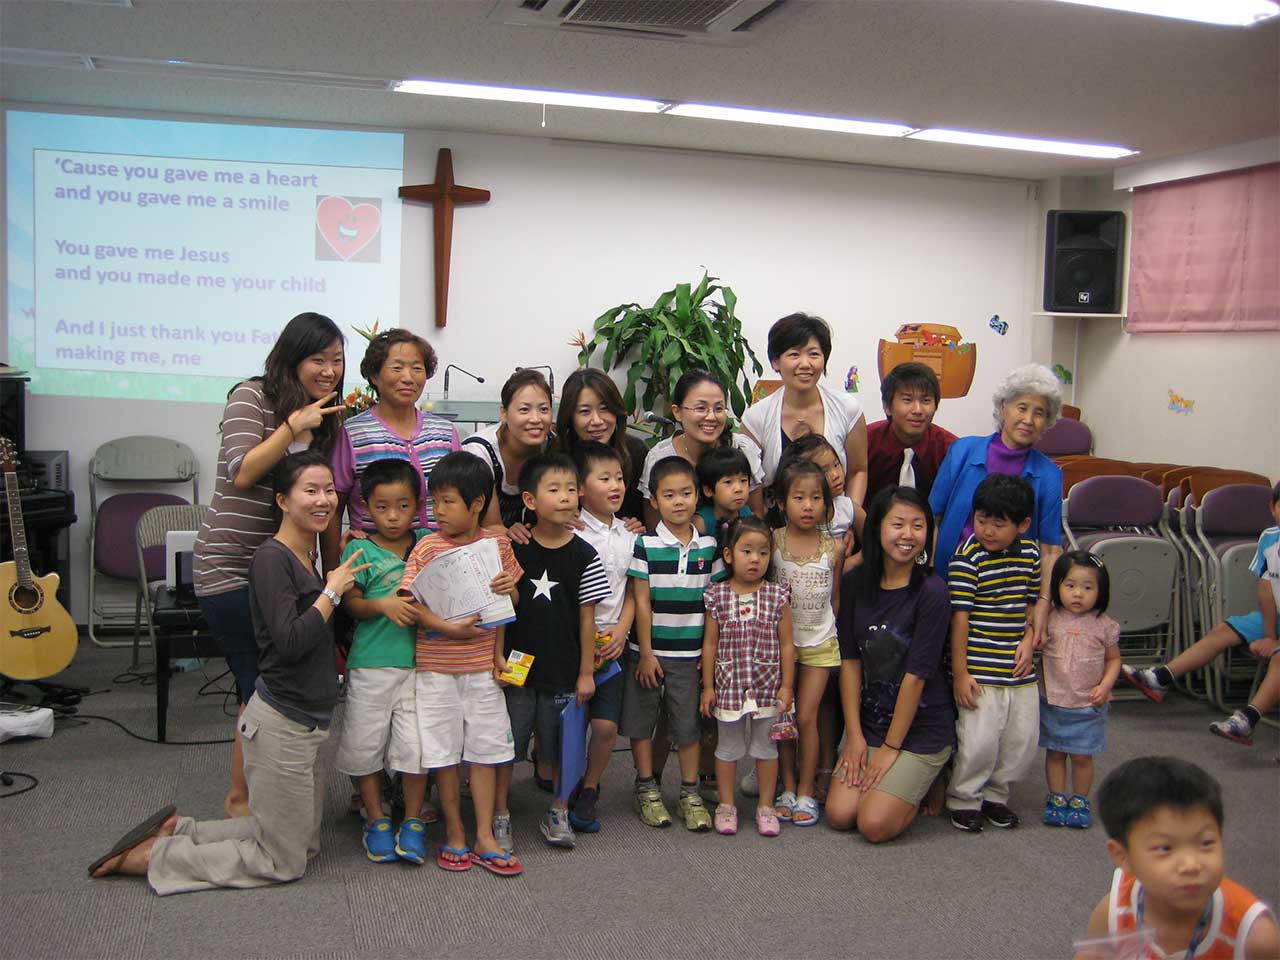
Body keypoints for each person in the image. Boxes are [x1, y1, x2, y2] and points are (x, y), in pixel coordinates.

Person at [90, 452, 370, 892]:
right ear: (282, 500)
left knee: (304, 844)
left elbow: (321, 632)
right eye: (311, 491)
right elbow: (291, 641)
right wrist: (331, 592)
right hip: (282, 724)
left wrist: (338, 573)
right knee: (283, 861)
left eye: (329, 490)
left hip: (308, 722)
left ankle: (182, 831)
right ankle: (155, 857)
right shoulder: (271, 559)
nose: (324, 500)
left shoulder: (306, 555)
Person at [194, 312, 346, 818]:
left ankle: (263, 795)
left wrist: (327, 571)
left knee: (275, 680)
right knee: (256, 683)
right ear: (292, 358)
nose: (329, 370)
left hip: (284, 567)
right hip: (232, 566)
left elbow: (321, 502)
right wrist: (291, 427)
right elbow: (241, 472)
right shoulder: (252, 397)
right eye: (318, 359)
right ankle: (241, 802)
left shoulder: (325, 415)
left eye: (337, 360)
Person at [396, 452, 523, 875]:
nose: (439, 511)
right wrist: (447, 629)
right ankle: (454, 832)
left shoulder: (497, 545)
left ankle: (484, 834)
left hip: (483, 668)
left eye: (448, 502)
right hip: (436, 668)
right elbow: (410, 604)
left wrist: (507, 596)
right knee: (444, 752)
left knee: (486, 750)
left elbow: (510, 603)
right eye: (434, 502)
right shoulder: (427, 546)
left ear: (477, 503)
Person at [826, 486, 954, 844]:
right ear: (878, 528)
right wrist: (855, 736)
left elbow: (916, 678)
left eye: (918, 526)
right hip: (871, 723)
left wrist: (890, 750)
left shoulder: (932, 591)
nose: (908, 535)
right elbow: (850, 662)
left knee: (873, 824)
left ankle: (934, 773)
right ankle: (901, 783)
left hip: (922, 729)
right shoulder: (855, 583)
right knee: (839, 814)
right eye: (897, 524)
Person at [496, 452, 611, 849]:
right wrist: (497, 657)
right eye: (554, 489)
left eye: (571, 489)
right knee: (505, 743)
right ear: (529, 500)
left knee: (561, 746)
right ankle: (500, 813)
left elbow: (587, 619)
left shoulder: (585, 555)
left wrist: (585, 672)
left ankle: (559, 809)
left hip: (563, 668)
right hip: (517, 667)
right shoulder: (515, 548)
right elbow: (500, 609)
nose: (565, 497)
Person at [1122, 481, 1280, 746]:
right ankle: (1160, 678)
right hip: (1276, 616)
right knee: (1223, 630)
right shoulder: (1269, 538)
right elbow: (1266, 588)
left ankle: (1247, 720)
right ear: (1272, 507)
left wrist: (1275, 643)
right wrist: (1269, 634)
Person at [1076, 757, 1278, 960]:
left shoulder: (1255, 937)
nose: (1191, 865)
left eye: (1206, 843)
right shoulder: (1115, 913)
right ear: (1123, 856)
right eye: (1165, 848)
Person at [333, 459, 430, 864]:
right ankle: (376, 819)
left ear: (418, 506)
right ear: (365, 507)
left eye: (403, 506)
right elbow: (351, 604)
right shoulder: (358, 549)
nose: (393, 516)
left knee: (416, 747)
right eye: (382, 507)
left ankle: (413, 820)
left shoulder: (428, 542)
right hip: (371, 663)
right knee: (365, 744)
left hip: (421, 665)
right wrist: (383, 606)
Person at [623, 455, 724, 832]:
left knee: (687, 726)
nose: (678, 501)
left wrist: (710, 656)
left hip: (690, 654)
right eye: (669, 495)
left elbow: (714, 604)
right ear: (654, 501)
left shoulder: (709, 546)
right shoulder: (645, 545)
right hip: (648, 654)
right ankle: (646, 787)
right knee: (642, 723)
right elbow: (641, 602)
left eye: (686, 493)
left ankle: (689, 792)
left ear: (697, 496)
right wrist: (646, 652)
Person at [929, 363, 1064, 644]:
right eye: (1022, 408)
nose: (1029, 419)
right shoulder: (963, 451)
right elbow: (933, 518)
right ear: (1003, 408)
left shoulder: (1049, 474)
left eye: (1039, 413)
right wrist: (927, 577)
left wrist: (1042, 603)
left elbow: (1050, 549)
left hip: (1007, 599)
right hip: (949, 582)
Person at [945, 473, 1042, 833]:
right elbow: (960, 619)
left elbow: (1031, 605)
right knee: (979, 740)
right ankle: (964, 799)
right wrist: (960, 673)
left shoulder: (1031, 554)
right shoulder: (967, 557)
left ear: (1023, 525)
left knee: (1021, 739)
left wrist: (1029, 640)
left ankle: (996, 796)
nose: (987, 530)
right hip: (979, 666)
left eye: (999, 524)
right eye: (981, 519)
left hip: (1018, 666)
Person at [322, 327, 459, 569]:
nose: (408, 377)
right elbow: (334, 506)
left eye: (417, 368)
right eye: (397, 368)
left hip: (439, 566)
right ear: (375, 375)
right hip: (374, 571)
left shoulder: (445, 432)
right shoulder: (352, 433)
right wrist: (332, 570)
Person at [699, 516, 795, 837]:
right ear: (729, 555)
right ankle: (727, 805)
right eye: (747, 551)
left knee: (766, 748)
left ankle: (765, 806)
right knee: (727, 747)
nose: (755, 559)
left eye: (763, 553)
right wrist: (708, 686)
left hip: (767, 684)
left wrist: (787, 685)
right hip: (729, 684)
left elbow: (787, 644)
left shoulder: (777, 595)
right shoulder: (717, 595)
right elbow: (710, 643)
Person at [568, 441, 638, 833]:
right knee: (570, 723)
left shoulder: (631, 534)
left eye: (620, 478)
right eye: (605, 478)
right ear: (580, 488)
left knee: (606, 726)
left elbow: (634, 590)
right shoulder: (571, 532)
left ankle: (591, 786)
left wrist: (623, 629)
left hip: (613, 645)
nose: (616, 485)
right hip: (575, 644)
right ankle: (566, 784)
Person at [768, 460, 842, 827]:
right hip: (780, 645)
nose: (808, 506)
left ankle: (807, 790)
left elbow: (836, 597)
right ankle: (787, 786)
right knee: (784, 715)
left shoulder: (835, 547)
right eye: (799, 498)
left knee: (807, 716)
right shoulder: (773, 540)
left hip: (820, 644)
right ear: (782, 502)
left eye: (816, 498)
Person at [739, 312, 867, 506]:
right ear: (775, 361)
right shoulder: (755, 419)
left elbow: (858, 471)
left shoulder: (848, 409)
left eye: (814, 354)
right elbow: (750, 484)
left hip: (835, 519)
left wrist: (849, 516)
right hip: (776, 521)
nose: (805, 364)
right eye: (794, 354)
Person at [1039, 551, 1120, 830]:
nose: (1078, 594)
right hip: (1054, 700)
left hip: (1087, 703)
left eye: (1087, 587)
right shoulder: (1049, 618)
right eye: (1070, 585)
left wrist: (1105, 685)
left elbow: (1114, 660)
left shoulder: (1104, 625)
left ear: (1101, 591)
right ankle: (1057, 797)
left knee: (1082, 755)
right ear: (1057, 586)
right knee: (1055, 752)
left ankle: (1079, 800)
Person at [638, 369, 765, 530]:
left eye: (718, 409)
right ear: (677, 412)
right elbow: (655, 525)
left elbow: (756, 513)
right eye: (701, 408)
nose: (711, 417)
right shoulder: (660, 458)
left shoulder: (741, 449)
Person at [461, 369, 553, 535]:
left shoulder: (552, 444)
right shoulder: (479, 452)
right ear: (504, 413)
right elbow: (491, 525)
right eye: (524, 410)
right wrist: (513, 534)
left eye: (544, 409)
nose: (536, 419)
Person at [556, 368, 650, 524]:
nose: (597, 421)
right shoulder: (556, 457)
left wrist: (636, 524)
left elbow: (643, 515)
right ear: (570, 416)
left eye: (605, 408)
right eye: (585, 411)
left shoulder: (635, 452)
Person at [865, 361, 957, 504]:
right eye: (907, 400)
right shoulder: (866, 442)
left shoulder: (951, 450)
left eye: (926, 400)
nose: (917, 410)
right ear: (887, 406)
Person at [692, 445, 754, 546]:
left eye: (743, 480)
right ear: (708, 490)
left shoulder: (747, 513)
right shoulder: (701, 522)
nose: (738, 489)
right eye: (728, 482)